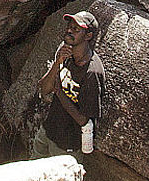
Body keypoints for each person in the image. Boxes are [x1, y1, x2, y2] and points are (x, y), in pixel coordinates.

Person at [33, 10, 106, 157]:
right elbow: (44, 89)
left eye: (76, 29)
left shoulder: (92, 72)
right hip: (47, 131)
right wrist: (57, 62)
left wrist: (59, 93)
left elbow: (84, 119)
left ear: (88, 36)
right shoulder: (65, 52)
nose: (69, 31)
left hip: (67, 145)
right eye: (69, 27)